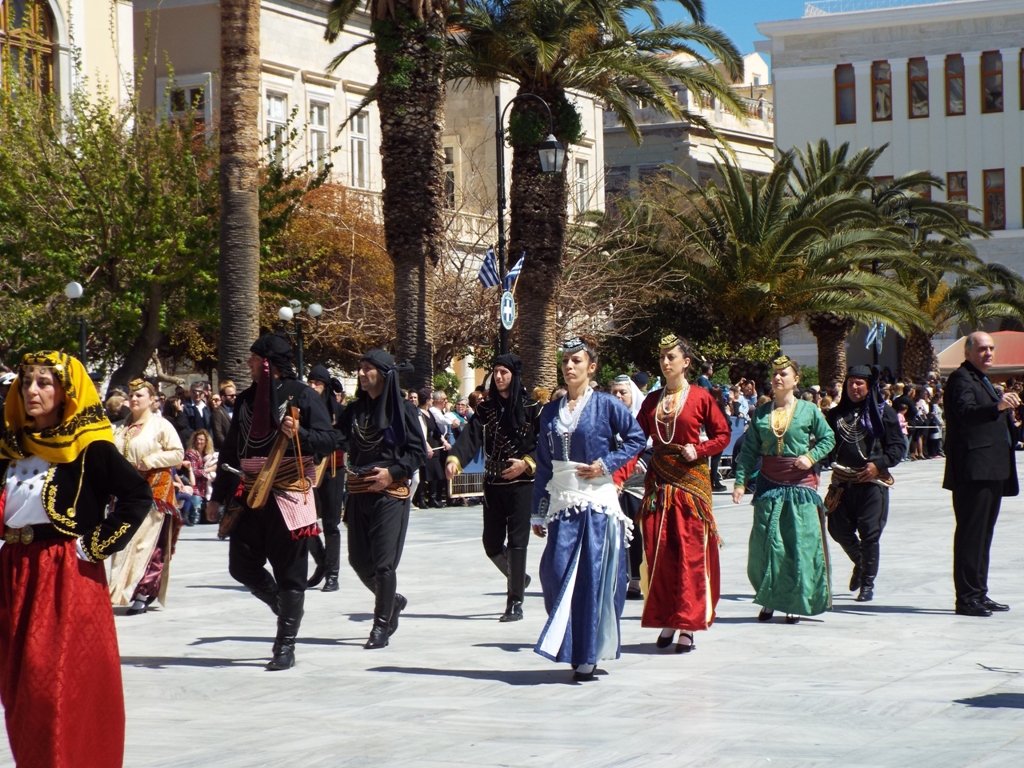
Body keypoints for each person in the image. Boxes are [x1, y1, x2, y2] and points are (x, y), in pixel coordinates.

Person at [0, 351, 152, 767]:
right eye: (27, 381)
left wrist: (95, 544)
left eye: (44, 382)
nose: (32, 390)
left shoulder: (88, 447)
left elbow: (137, 495)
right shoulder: (11, 445)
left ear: (65, 392)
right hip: (14, 570)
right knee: (18, 689)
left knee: (52, 686)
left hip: (62, 574)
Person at [206, 334, 336, 670]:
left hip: (290, 492)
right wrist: (217, 496)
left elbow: (330, 440)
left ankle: (285, 645)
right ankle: (283, 606)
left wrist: (300, 433)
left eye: (253, 359)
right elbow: (231, 450)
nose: (248, 364)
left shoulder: (303, 395)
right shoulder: (246, 400)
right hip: (251, 493)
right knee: (241, 566)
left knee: (291, 573)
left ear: (267, 363)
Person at [531, 338, 646, 681]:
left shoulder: (606, 405)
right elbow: (544, 462)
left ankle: (587, 654)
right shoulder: (550, 411)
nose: (569, 366)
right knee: (553, 572)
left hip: (596, 503)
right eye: (565, 360)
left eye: (577, 361)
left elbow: (636, 438)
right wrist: (538, 510)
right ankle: (572, 645)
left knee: (591, 578)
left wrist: (606, 464)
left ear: (591, 367)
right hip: (562, 501)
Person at [635, 336, 731, 652]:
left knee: (691, 554)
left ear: (686, 363)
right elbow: (635, 438)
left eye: (672, 357)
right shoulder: (651, 400)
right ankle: (668, 618)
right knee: (660, 552)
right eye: (662, 357)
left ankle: (688, 623)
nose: (666, 362)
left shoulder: (701, 397)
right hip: (659, 484)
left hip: (691, 484)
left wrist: (699, 449)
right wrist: (619, 467)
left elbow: (723, 434)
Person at [732, 356, 836, 624]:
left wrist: (811, 457)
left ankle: (794, 601)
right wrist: (741, 482)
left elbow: (828, 438)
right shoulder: (761, 413)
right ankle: (769, 598)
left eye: (784, 374)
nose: (778, 378)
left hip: (800, 486)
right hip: (769, 484)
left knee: (797, 544)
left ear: (796, 380)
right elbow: (749, 450)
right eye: (775, 374)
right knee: (765, 544)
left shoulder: (809, 410)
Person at [446, 354, 542, 622]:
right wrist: (455, 459)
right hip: (493, 482)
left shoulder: (533, 408)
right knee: (491, 543)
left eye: (504, 372)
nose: (498, 377)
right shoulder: (486, 409)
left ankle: (515, 602)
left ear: (514, 375)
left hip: (522, 483)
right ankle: (518, 577)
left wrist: (527, 463)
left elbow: (544, 445)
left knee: (518, 543)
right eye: (496, 372)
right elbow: (470, 436)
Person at [339, 350, 424, 649]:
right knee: (359, 561)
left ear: (384, 375)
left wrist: (392, 473)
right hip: (358, 492)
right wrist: (302, 432)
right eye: (360, 368)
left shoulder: (404, 410)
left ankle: (381, 625)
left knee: (384, 564)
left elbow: (417, 453)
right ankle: (393, 601)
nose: (362, 373)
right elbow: (335, 439)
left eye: (368, 368)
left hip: (390, 494)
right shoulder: (354, 411)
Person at [943, 331, 1019, 617]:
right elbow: (965, 413)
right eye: (982, 349)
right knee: (971, 535)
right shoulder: (961, 378)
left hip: (991, 469)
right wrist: (997, 405)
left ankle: (979, 593)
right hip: (974, 469)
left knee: (984, 535)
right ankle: (966, 598)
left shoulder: (982, 379)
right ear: (968, 352)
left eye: (991, 348)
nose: (988, 353)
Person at [824, 365, 905, 602]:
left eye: (859, 383)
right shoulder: (835, 415)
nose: (854, 387)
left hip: (872, 484)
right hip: (842, 483)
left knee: (870, 534)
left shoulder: (883, 413)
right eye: (850, 383)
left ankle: (867, 584)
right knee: (837, 529)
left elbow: (898, 448)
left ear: (869, 387)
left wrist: (878, 465)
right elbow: (826, 445)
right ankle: (861, 562)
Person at [108, 379, 186, 616]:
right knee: (124, 539)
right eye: (131, 395)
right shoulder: (119, 428)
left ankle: (143, 591)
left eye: (139, 395)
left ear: (152, 400)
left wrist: (151, 460)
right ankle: (122, 589)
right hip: (125, 490)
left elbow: (178, 453)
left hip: (154, 489)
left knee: (147, 542)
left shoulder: (161, 425)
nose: (134, 399)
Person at [306, 365, 347, 593]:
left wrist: (328, 443)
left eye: (317, 383)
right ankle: (321, 562)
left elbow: (346, 439)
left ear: (325, 386)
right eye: (310, 382)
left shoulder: (338, 412)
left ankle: (332, 574)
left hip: (333, 470)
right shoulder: (304, 408)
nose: (313, 387)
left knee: (331, 524)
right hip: (307, 470)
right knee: (304, 521)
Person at [609, 373, 649, 600]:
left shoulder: (641, 419)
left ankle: (635, 579)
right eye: (614, 392)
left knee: (635, 531)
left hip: (635, 484)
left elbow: (652, 446)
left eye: (622, 392)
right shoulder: (606, 419)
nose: (618, 396)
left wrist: (642, 462)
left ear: (632, 394)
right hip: (610, 483)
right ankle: (614, 576)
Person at [183, 429, 215, 526]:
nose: (199, 441)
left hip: (205, 490)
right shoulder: (191, 453)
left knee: (206, 519)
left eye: (202, 439)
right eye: (197, 439)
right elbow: (195, 472)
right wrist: (210, 469)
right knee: (195, 518)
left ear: (206, 441)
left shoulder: (207, 455)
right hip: (195, 489)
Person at [211, 380, 236, 451]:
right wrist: (228, 447)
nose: (234, 397)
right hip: (225, 450)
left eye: (235, 395)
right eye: (231, 396)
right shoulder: (217, 412)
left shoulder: (237, 410)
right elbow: (218, 433)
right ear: (223, 398)